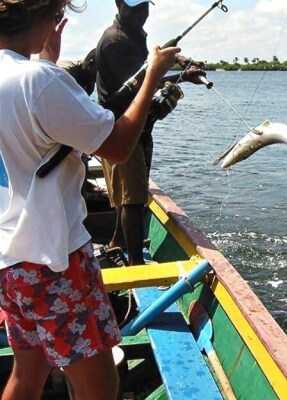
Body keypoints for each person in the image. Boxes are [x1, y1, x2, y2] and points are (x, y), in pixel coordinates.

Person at [0, 1, 181, 399]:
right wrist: (152, 75)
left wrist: (47, 59)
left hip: (11, 266)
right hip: (55, 264)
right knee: (100, 387)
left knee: (26, 375)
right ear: (44, 20)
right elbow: (116, 146)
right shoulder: (40, 81)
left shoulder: (22, 77)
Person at [96, 0, 206, 266]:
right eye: (134, 7)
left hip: (139, 125)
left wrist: (181, 62)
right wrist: (182, 77)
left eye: (144, 6)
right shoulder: (116, 41)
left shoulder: (134, 34)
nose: (140, 13)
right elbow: (141, 84)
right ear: (118, 4)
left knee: (132, 193)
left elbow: (147, 67)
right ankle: (135, 264)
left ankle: (118, 242)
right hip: (121, 127)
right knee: (132, 200)